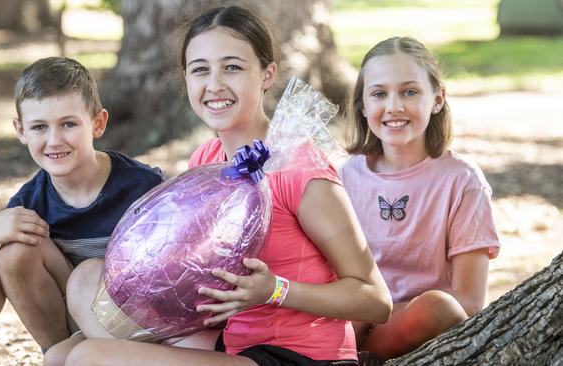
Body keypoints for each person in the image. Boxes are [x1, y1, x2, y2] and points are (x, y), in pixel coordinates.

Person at [62, 6, 392, 366]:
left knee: (87, 357)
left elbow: (375, 299)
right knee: (80, 294)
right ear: (185, 78)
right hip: (227, 340)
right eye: (200, 69)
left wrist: (275, 291)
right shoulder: (207, 158)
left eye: (232, 67)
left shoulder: (300, 168)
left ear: (267, 75)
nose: (214, 84)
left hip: (295, 356)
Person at [0, 57, 164, 361]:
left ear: (97, 123)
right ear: (21, 131)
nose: (54, 140)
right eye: (39, 127)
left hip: (141, 330)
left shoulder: (142, 188)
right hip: (74, 333)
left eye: (68, 124)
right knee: (14, 249)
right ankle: (62, 351)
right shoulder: (29, 205)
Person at [339, 36, 501, 362]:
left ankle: (353, 356)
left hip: (414, 321)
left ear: (437, 99)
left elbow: (468, 302)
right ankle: (344, 350)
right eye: (379, 94)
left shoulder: (462, 181)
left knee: (435, 307)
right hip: (350, 318)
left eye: (409, 92)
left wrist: (380, 310)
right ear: (362, 104)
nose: (394, 106)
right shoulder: (345, 176)